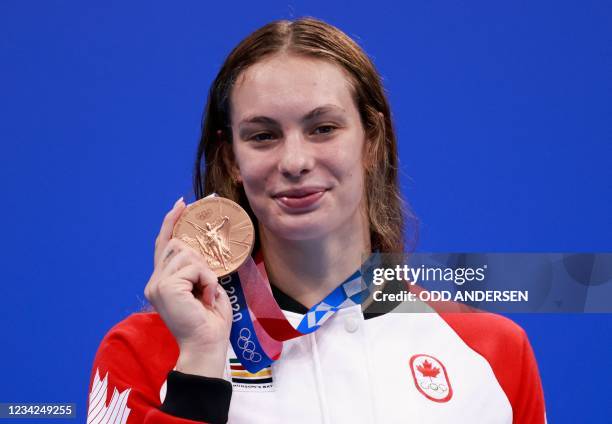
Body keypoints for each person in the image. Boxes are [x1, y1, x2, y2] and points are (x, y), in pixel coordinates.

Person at [86, 17, 546, 424]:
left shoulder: (491, 351)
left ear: (372, 141)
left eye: (323, 128)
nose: (295, 160)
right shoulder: (145, 351)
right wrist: (201, 367)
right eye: (263, 135)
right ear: (231, 159)